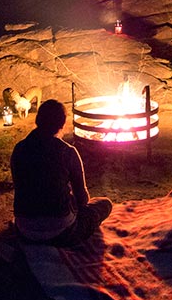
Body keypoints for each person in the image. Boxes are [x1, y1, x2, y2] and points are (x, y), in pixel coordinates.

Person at [10, 99, 113, 247]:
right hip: (62, 232)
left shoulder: (19, 149)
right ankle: (67, 235)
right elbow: (82, 199)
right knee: (104, 204)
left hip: (24, 230)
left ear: (38, 120)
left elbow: (21, 187)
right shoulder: (68, 152)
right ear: (62, 123)